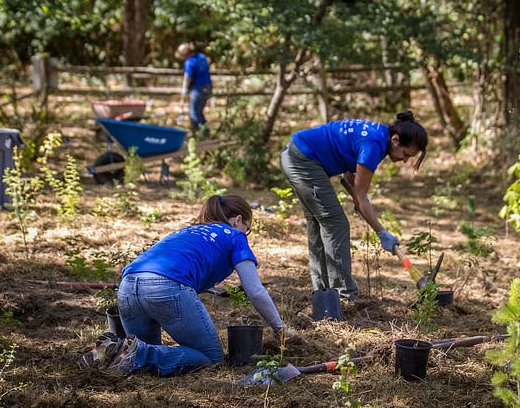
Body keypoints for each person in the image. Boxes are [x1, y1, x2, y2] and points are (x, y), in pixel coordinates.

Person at [78, 195, 298, 377]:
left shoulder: (184, 232)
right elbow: (255, 291)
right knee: (211, 357)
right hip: (165, 287)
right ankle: (137, 353)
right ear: (239, 220)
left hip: (127, 286)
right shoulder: (234, 236)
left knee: (140, 357)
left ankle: (113, 349)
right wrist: (280, 328)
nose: (245, 234)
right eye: (247, 229)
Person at [280, 110, 428, 301]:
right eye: (405, 153)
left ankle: (324, 293)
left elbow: (349, 176)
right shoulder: (373, 145)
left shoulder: (379, 137)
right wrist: (382, 233)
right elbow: (360, 196)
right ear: (396, 139)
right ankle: (344, 294)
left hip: (295, 153)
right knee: (336, 223)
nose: (405, 159)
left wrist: (360, 201)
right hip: (302, 159)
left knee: (319, 222)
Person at [176, 41, 212, 137]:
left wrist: (183, 96)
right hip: (208, 87)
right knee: (199, 112)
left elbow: (187, 79)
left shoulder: (189, 63)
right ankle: (206, 133)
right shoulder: (201, 56)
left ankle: (199, 134)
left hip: (198, 88)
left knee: (194, 114)